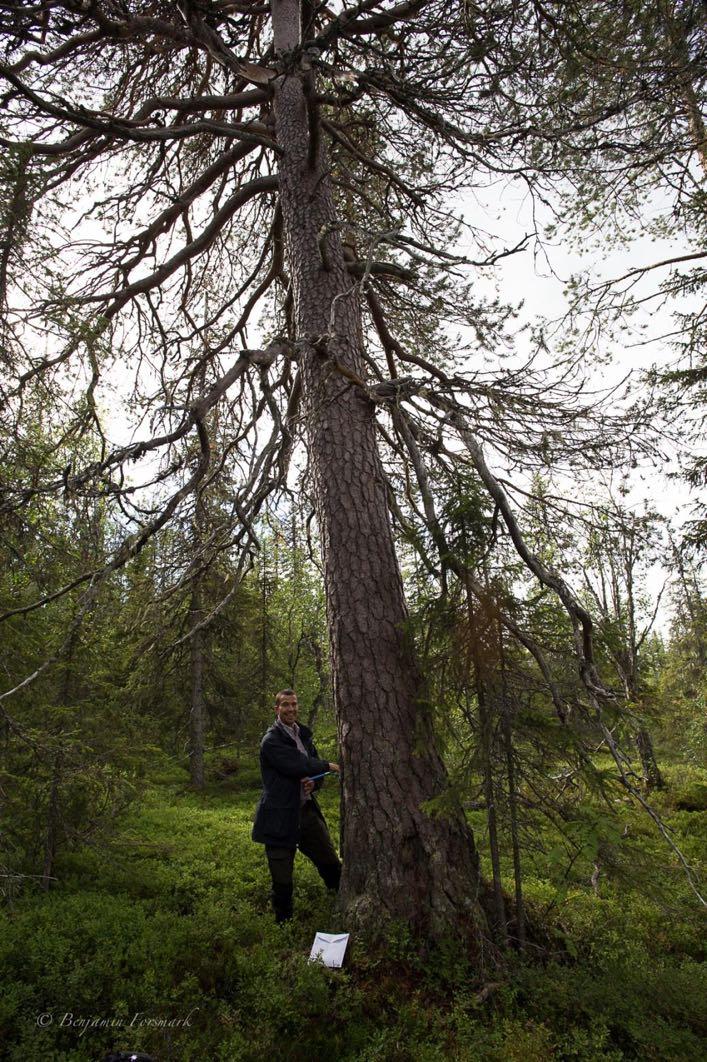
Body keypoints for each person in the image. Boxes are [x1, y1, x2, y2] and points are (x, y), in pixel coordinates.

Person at [252, 689, 342, 923]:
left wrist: (316, 782)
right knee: (282, 880)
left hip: (306, 813)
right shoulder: (271, 740)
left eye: (294, 705)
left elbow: (313, 769)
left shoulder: (303, 735)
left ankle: (342, 908)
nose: (291, 709)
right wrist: (329, 765)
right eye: (285, 705)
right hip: (279, 818)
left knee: (330, 863)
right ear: (277, 709)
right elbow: (297, 765)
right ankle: (284, 925)